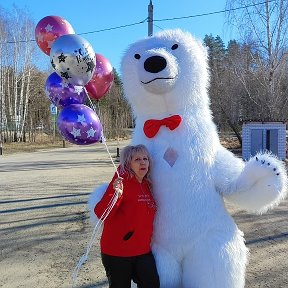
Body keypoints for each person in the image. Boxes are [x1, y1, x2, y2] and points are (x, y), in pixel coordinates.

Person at [94, 144, 160, 288]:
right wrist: (115, 193)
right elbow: (101, 213)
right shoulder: (121, 180)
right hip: (117, 252)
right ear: (128, 164)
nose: (143, 162)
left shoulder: (147, 184)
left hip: (142, 251)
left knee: (152, 284)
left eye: (145, 158)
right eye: (137, 159)